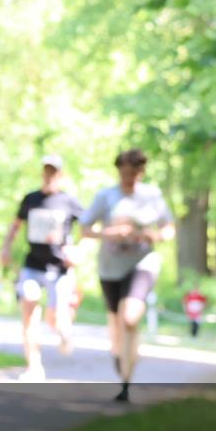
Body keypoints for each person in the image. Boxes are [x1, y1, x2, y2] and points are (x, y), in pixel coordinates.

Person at [79, 149, 175, 402]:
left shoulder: (152, 196)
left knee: (130, 318)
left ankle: (126, 381)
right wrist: (109, 233)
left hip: (143, 262)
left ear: (141, 173)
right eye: (124, 173)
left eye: (133, 173)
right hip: (110, 267)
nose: (128, 178)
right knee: (116, 322)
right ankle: (120, 357)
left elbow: (169, 228)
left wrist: (153, 235)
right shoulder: (106, 196)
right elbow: (85, 228)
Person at [0, 155, 83, 380]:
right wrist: (5, 248)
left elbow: (88, 227)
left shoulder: (69, 201)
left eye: (53, 172)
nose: (49, 176)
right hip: (33, 265)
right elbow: (15, 226)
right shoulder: (31, 199)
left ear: (61, 175)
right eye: (46, 171)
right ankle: (34, 367)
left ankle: (65, 333)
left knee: (54, 318)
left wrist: (77, 251)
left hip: (59, 269)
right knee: (29, 305)